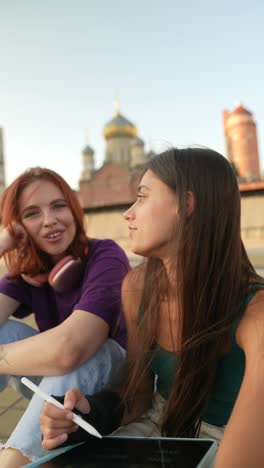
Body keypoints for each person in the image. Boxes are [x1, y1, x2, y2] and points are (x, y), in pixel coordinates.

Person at [40, 147, 264, 468]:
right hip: (162, 425)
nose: (128, 213)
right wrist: (87, 414)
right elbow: (140, 396)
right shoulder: (137, 286)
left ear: (186, 205)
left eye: (142, 197)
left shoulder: (255, 311)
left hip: (232, 438)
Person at [0, 167, 130, 467]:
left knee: (84, 352)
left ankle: (14, 460)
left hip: (120, 388)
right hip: (62, 383)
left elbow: (69, 350)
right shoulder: (28, 273)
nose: (49, 220)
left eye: (58, 206)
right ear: (19, 227)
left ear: (73, 209)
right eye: (32, 214)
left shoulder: (106, 255)